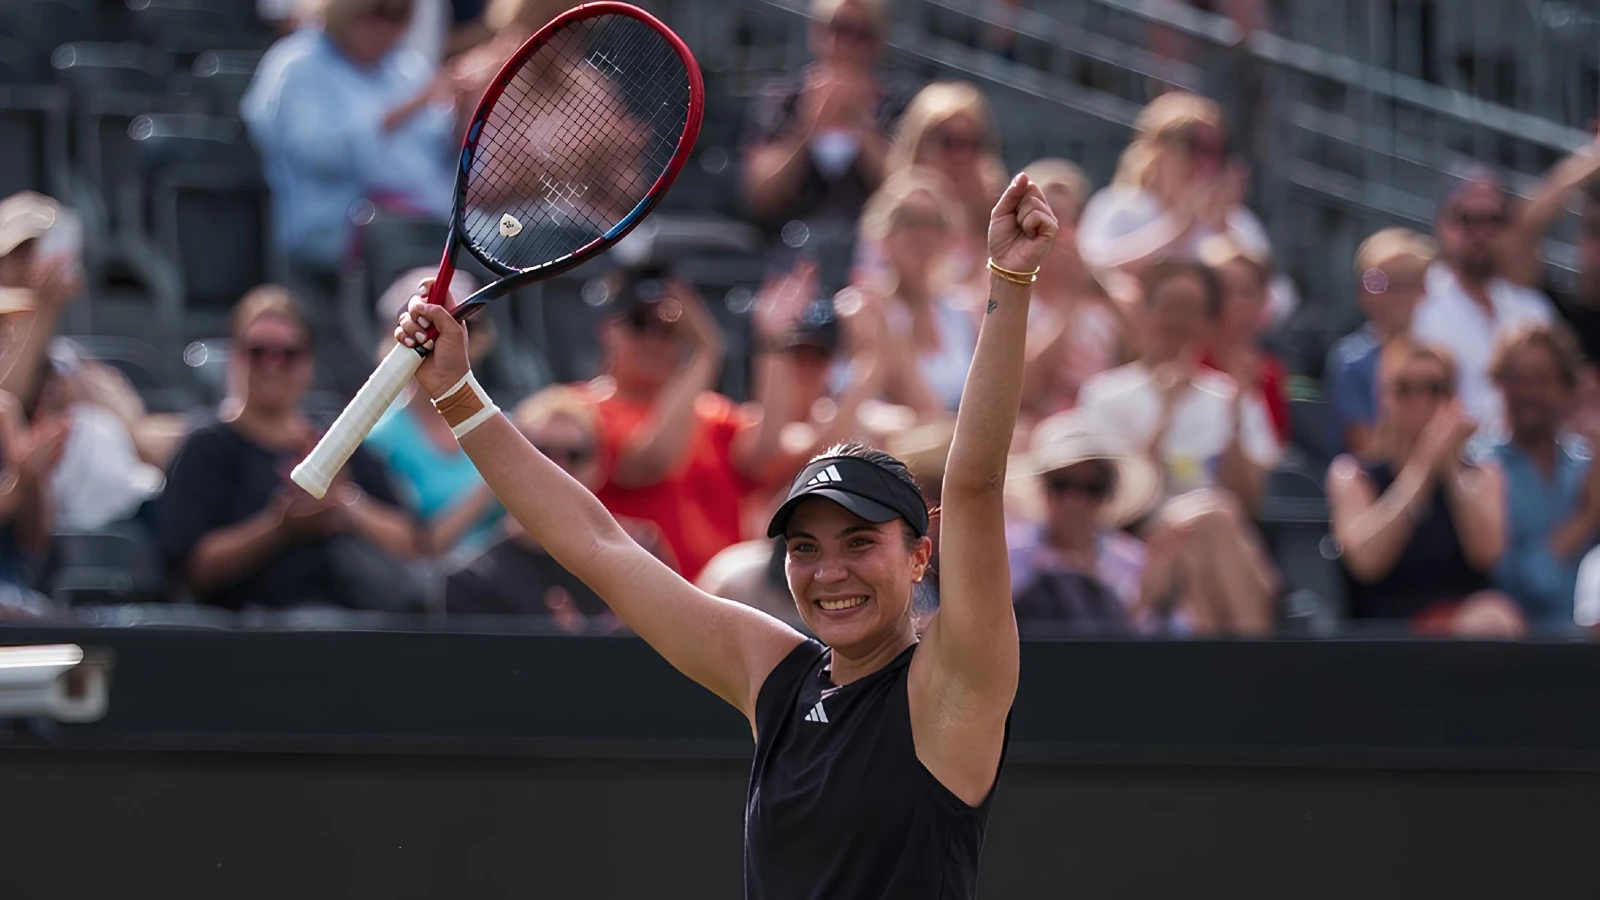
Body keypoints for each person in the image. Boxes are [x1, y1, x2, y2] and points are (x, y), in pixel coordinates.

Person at [393, 172, 1058, 898]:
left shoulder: (952, 686)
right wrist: (458, 391)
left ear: (919, 555)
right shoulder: (774, 673)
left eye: (859, 542)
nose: (829, 570)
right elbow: (599, 545)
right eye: (805, 547)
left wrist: (1009, 279)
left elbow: (974, 484)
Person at [155, 287, 422, 612]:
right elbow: (191, 569)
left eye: (288, 353)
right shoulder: (207, 446)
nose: (273, 364)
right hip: (246, 629)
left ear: (308, 363)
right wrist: (279, 527)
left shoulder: (338, 438)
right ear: (236, 358)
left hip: (353, 623)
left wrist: (346, 504)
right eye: (258, 351)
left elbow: (411, 543)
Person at [241, 0, 462, 275]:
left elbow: (441, 152)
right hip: (338, 230)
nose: (385, 27)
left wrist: (466, 108)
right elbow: (318, 151)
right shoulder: (297, 64)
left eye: (399, 15)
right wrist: (403, 111)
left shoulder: (409, 68)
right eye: (377, 13)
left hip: (430, 224)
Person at [1326, 342, 1520, 636]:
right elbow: (1366, 560)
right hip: (1389, 631)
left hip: (1470, 619)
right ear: (1383, 397)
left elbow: (1487, 553)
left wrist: (1450, 467)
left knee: (1493, 616)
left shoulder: (1484, 475)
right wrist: (1421, 470)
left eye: (1434, 388)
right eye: (1405, 389)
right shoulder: (1353, 475)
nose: (1420, 400)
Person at [445, 385, 670, 627]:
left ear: (599, 466)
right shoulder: (473, 580)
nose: (558, 468)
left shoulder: (643, 557)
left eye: (574, 455)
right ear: (510, 463)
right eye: (541, 453)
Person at [365, 270, 503, 558]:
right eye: (428, 327)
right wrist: (501, 482)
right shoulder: (377, 441)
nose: (446, 338)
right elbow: (419, 549)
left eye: (463, 325)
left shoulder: (510, 427)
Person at [742, 0, 912, 230]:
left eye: (861, 33)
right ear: (817, 32)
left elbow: (908, 190)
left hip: (874, 245)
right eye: (838, 27)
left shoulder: (898, 107)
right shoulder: (783, 99)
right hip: (792, 243)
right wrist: (807, 129)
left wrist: (861, 126)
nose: (846, 43)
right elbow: (760, 194)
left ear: (878, 40)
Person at [1412, 171, 1554, 440]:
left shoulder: (1534, 310)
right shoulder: (1418, 307)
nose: (1480, 232)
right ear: (1443, 224)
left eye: (1493, 220)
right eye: (1467, 219)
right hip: (1450, 467)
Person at [1078, 91, 1269, 278]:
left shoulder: (1239, 222)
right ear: (1157, 150)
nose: (1206, 162)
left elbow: (1278, 298)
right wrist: (1176, 229)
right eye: (1194, 146)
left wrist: (1223, 230)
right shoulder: (1118, 206)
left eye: (1216, 150)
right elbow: (1091, 271)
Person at [1006, 410, 1159, 635]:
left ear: (1108, 494)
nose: (1075, 501)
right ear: (1042, 488)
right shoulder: (1006, 553)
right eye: (1062, 485)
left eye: (1092, 488)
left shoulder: (1134, 560)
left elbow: (1159, 633)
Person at [843, 167, 978, 415]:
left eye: (935, 223)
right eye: (909, 221)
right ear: (883, 233)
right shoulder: (863, 307)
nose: (923, 235)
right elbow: (916, 400)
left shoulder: (962, 311)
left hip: (944, 440)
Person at [1487, 323, 1597, 626]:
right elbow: (1529, 581)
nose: (1529, 393)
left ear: (1565, 387)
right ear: (1500, 384)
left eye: (1541, 380)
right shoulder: (1482, 467)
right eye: (1517, 379)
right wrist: (1587, 515)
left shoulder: (1586, 463)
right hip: (1516, 646)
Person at [1017, 158, 1125, 424]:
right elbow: (1025, 387)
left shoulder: (1108, 295)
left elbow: (1143, 355)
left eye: (1069, 219)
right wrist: (1068, 301)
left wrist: (1092, 283)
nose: (1057, 230)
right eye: (1048, 216)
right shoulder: (1007, 294)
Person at [1325, 227, 1435, 458]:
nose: (1398, 295)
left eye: (1410, 282)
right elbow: (1366, 450)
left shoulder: (1439, 353)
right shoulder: (1352, 360)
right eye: (1381, 283)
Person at [1199, 235, 1289, 444]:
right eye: (1223, 291)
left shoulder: (1270, 375)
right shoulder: (1186, 363)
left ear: (1263, 301)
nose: (1234, 303)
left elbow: (1272, 450)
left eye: (1246, 293)